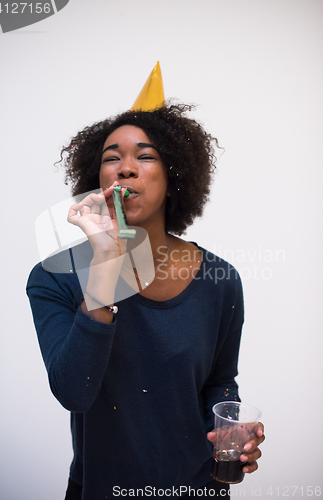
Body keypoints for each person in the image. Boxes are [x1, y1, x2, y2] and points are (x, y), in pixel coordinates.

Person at [27, 74, 265, 499]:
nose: (126, 167)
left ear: (174, 176)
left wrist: (233, 434)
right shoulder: (54, 277)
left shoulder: (220, 280)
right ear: (97, 176)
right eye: (111, 157)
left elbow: (219, 384)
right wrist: (104, 260)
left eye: (146, 156)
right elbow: (74, 392)